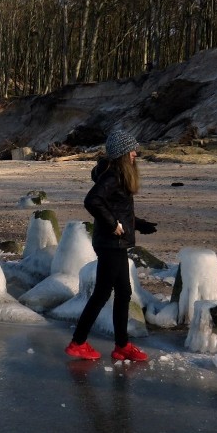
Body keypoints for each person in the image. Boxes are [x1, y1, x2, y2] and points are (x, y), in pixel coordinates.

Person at [65, 129, 157, 362]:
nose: (136, 153)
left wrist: (139, 224)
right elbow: (92, 200)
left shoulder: (117, 175)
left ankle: (122, 345)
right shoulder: (113, 176)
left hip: (115, 243)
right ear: (122, 154)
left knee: (124, 293)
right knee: (102, 293)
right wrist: (113, 224)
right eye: (132, 150)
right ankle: (78, 342)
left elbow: (118, 210)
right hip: (110, 244)